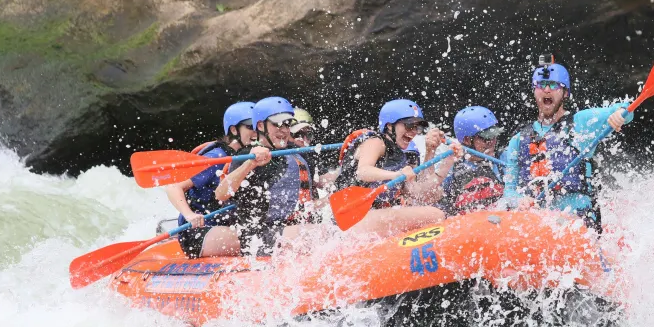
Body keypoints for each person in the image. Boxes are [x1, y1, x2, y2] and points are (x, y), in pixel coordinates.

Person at [502, 58, 633, 233]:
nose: (547, 89)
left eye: (554, 85)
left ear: (565, 93)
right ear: (534, 92)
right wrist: (519, 201)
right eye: (541, 85)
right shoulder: (518, 140)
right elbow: (509, 191)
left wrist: (619, 114)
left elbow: (627, 109)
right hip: (538, 224)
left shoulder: (581, 123)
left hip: (577, 220)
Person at [334, 99, 462, 236]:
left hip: (371, 217)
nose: (413, 132)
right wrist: (396, 174)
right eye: (409, 126)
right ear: (390, 126)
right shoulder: (375, 142)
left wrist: (446, 160)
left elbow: (421, 195)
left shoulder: (400, 157)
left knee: (435, 203)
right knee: (434, 215)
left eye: (417, 128)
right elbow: (363, 171)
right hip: (351, 218)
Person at [215, 96, 316, 256]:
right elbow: (221, 194)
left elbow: (310, 200)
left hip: (292, 229)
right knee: (318, 234)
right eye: (277, 124)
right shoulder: (247, 155)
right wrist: (250, 164)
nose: (283, 130)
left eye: (287, 124)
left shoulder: (295, 154)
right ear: (261, 125)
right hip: (260, 236)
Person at [164, 102, 255, 258]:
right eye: (250, 126)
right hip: (198, 232)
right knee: (254, 240)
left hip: (226, 227)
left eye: (259, 126)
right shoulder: (216, 157)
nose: (256, 132)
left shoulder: (251, 157)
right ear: (234, 130)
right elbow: (173, 186)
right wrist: (189, 215)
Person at [441, 106, 505, 215]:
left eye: (494, 135)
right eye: (486, 138)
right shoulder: (452, 167)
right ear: (467, 140)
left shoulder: (504, 158)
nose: (492, 142)